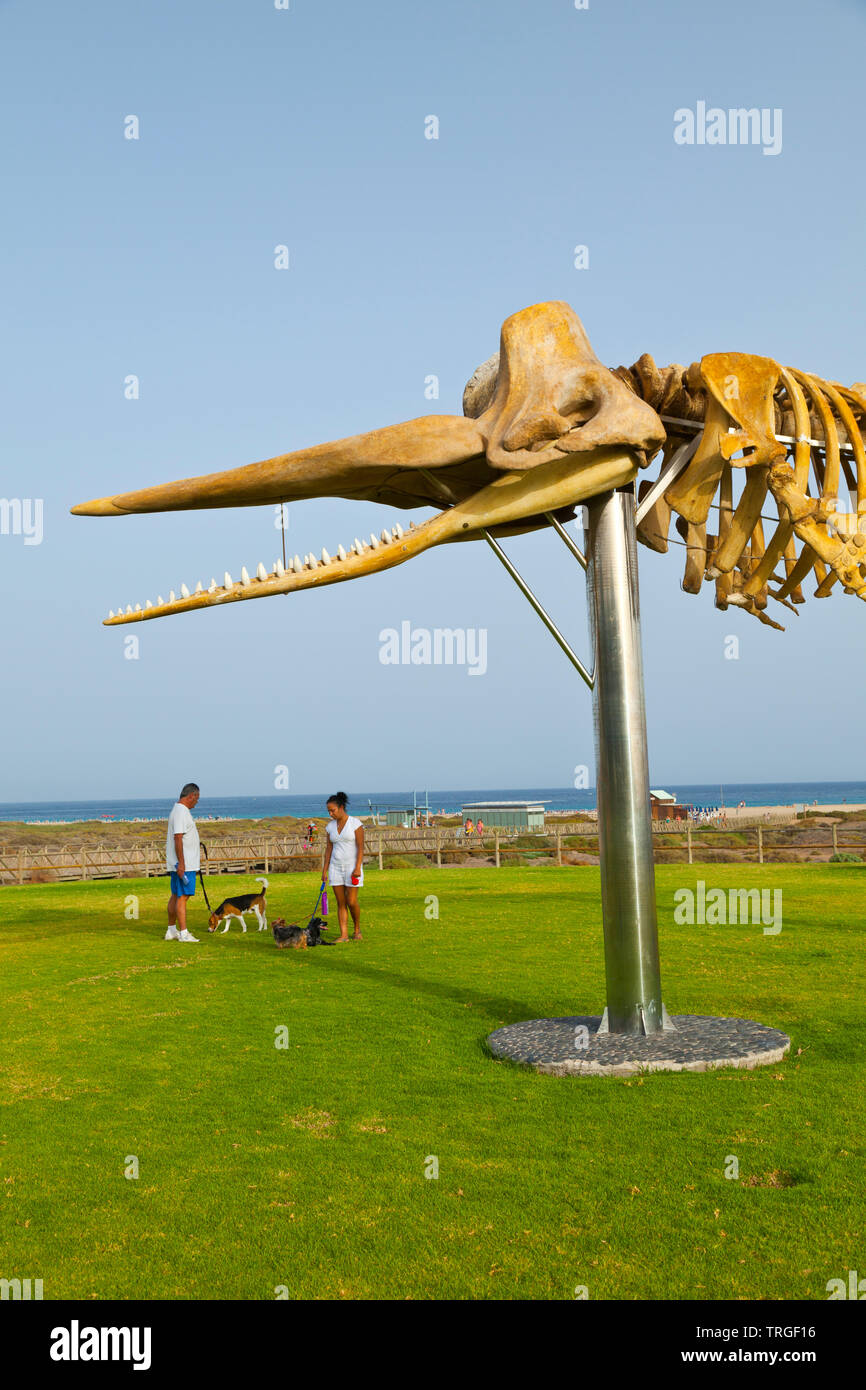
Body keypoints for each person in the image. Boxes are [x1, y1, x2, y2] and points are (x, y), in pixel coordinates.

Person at [322, 791, 364, 942]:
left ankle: (357, 929)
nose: (330, 814)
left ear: (341, 807)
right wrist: (324, 870)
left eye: (332, 810)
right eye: (328, 811)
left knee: (351, 901)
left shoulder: (355, 824)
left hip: (352, 867)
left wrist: (358, 867)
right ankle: (344, 935)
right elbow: (328, 849)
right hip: (335, 868)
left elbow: (361, 847)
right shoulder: (330, 827)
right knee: (341, 903)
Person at [165, 783, 201, 942]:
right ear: (191, 796)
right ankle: (184, 933)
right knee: (183, 896)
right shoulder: (180, 811)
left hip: (179, 863)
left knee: (175, 895)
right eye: (197, 798)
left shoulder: (178, 810)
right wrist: (182, 863)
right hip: (183, 865)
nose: (197, 802)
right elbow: (178, 837)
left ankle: (171, 930)